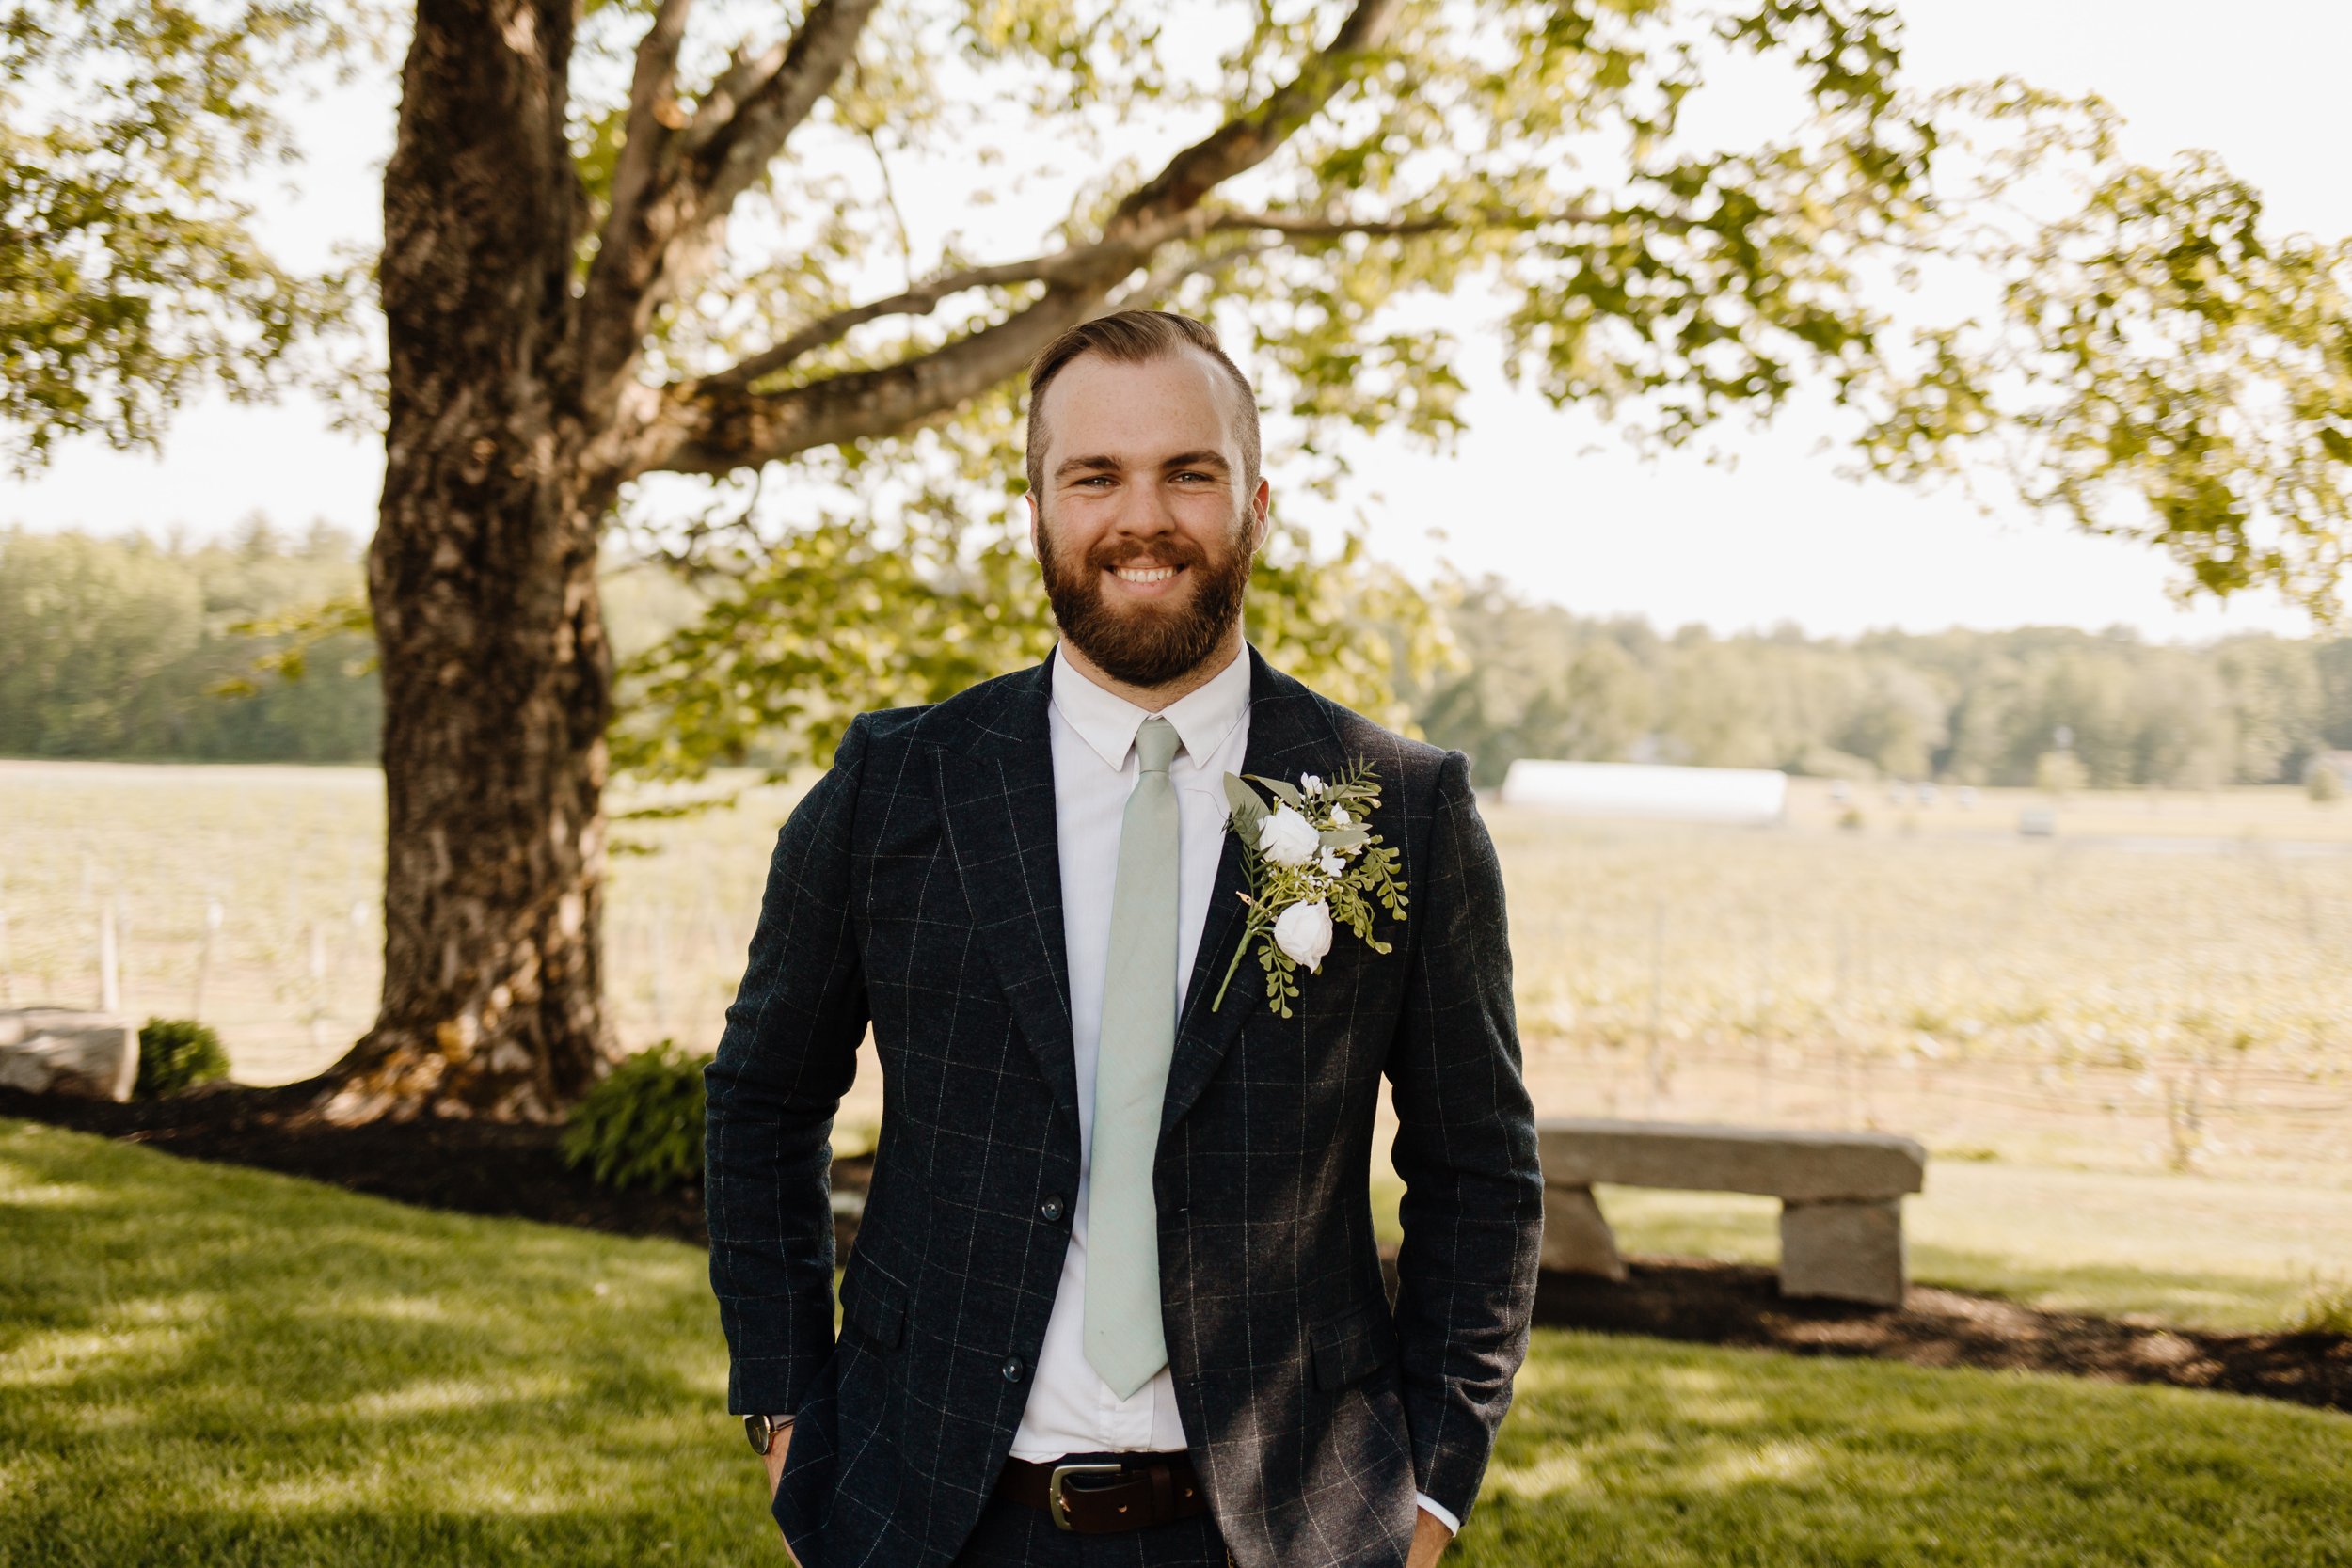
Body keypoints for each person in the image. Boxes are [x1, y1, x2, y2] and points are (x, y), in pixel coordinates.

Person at [705, 309, 1542, 1568]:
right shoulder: (896, 786)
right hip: (933, 1515)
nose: (1141, 518)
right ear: (1037, 508)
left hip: (1289, 1530)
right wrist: (787, 1421)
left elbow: (1479, 1170)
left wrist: (1428, 1494)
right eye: (1094, 476)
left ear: (1255, 503)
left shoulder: (1398, 808)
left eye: (1187, 474)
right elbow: (763, 1100)